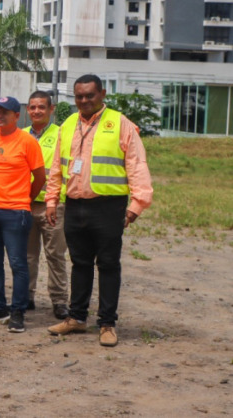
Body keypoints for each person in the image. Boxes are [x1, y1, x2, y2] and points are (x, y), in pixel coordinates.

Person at [46, 74, 153, 347]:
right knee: (79, 264)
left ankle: (107, 323)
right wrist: (51, 200)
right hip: (74, 206)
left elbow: (137, 165)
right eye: (79, 96)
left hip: (108, 207)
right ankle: (77, 318)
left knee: (108, 265)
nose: (84, 101)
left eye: (89, 95)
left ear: (102, 94)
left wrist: (137, 205)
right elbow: (57, 166)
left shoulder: (120, 123)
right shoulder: (68, 124)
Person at [0, 97, 45, 333]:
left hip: (15, 211)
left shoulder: (27, 141)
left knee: (17, 263)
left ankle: (18, 311)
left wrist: (25, 199)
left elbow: (40, 177)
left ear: (17, 115)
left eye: (4, 112)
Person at [24, 90, 70, 320]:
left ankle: (60, 301)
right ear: (27, 110)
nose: (37, 111)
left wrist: (55, 200)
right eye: (33, 107)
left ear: (51, 109)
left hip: (53, 205)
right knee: (27, 255)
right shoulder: (21, 135)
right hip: (25, 203)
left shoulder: (62, 135)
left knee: (55, 254)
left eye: (42, 107)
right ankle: (26, 295)